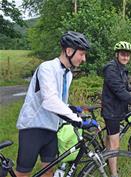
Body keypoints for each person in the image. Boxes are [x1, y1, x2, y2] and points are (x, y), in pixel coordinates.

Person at [15, 31, 97, 177]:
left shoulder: (68, 74)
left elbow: (59, 101)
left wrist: (72, 108)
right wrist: (77, 120)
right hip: (33, 127)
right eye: (82, 54)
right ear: (69, 51)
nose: (84, 59)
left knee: (49, 171)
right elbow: (50, 101)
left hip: (52, 128)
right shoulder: (47, 68)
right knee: (23, 173)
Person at [101, 41, 131, 177]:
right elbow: (119, 90)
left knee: (110, 138)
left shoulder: (121, 68)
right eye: (123, 54)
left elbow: (123, 86)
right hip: (112, 110)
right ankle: (113, 174)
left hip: (116, 109)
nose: (125, 57)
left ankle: (106, 158)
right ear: (117, 54)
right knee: (115, 144)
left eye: (127, 55)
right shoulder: (111, 68)